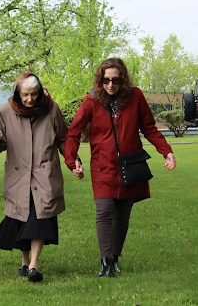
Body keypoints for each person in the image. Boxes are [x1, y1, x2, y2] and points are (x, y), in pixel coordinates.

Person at [64, 57, 176, 277]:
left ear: (123, 79)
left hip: (129, 165)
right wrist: (72, 160)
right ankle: (105, 262)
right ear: (100, 80)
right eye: (105, 80)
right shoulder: (92, 100)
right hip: (102, 166)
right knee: (104, 211)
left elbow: (149, 128)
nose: (110, 85)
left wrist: (167, 151)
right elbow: (73, 132)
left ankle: (115, 258)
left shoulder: (135, 97)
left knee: (123, 214)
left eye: (115, 80)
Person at [0, 72, 67, 283]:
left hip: (44, 174)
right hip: (18, 175)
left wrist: (72, 158)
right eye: (25, 95)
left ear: (40, 93)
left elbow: (63, 139)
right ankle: (24, 261)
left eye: (34, 94)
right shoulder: (5, 111)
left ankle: (34, 265)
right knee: (19, 218)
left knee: (39, 217)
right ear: (17, 93)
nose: (30, 99)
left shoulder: (52, 110)